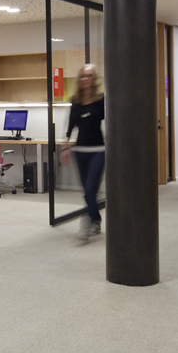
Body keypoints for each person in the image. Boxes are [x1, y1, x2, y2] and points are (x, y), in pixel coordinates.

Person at [60, 64, 106, 240]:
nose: (85, 79)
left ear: (94, 79)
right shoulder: (75, 101)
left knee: (89, 190)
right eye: (82, 76)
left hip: (98, 150)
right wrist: (65, 147)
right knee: (88, 191)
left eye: (88, 76)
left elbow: (109, 122)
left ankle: (88, 221)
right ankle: (95, 219)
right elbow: (69, 126)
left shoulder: (101, 100)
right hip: (79, 151)